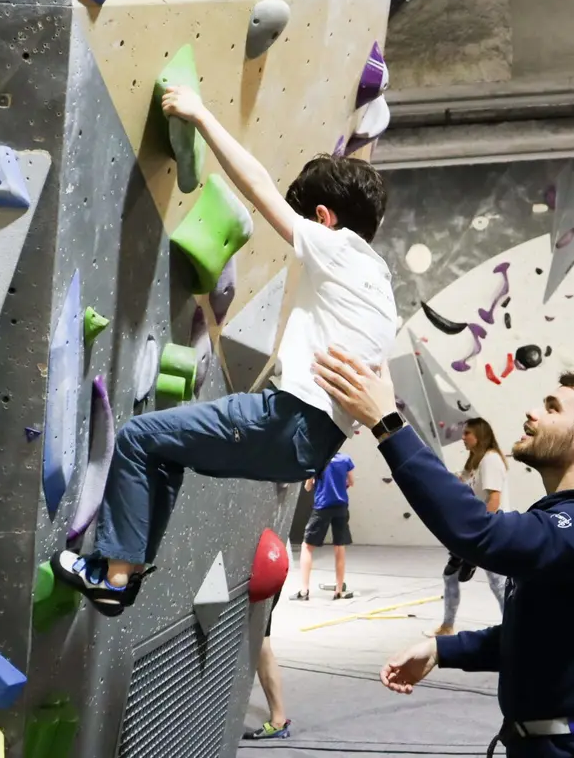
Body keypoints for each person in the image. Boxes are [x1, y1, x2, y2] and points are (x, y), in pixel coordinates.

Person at [51, 87, 398, 616]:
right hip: (313, 439)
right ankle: (125, 570)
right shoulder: (379, 278)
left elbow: (257, 187)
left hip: (288, 419)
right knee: (165, 453)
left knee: (140, 438)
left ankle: (114, 576)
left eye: (307, 219)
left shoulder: (336, 248)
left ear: (324, 218)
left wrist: (200, 114)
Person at [311, 348, 574, 758]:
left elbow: (480, 532)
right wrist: (442, 649)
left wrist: (388, 425)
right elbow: (544, 639)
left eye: (551, 408)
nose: (532, 413)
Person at [426, 418, 507, 637]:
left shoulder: (490, 460)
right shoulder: (474, 462)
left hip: (492, 529)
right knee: (451, 575)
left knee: (498, 583)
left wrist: (484, 532)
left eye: (467, 434)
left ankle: (513, 629)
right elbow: (460, 483)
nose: (462, 438)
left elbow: (494, 500)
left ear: (479, 435)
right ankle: (447, 626)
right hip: (474, 529)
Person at [244, 540, 293, 741]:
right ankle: (278, 719)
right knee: (262, 645)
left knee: (261, 646)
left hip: (261, 565)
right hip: (273, 561)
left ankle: (278, 720)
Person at [291, 451, 355, 601]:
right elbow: (351, 482)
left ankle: (304, 590)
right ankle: (339, 590)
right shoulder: (346, 459)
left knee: (307, 547)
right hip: (341, 507)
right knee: (340, 547)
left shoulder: (318, 459)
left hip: (322, 508)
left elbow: (308, 486)